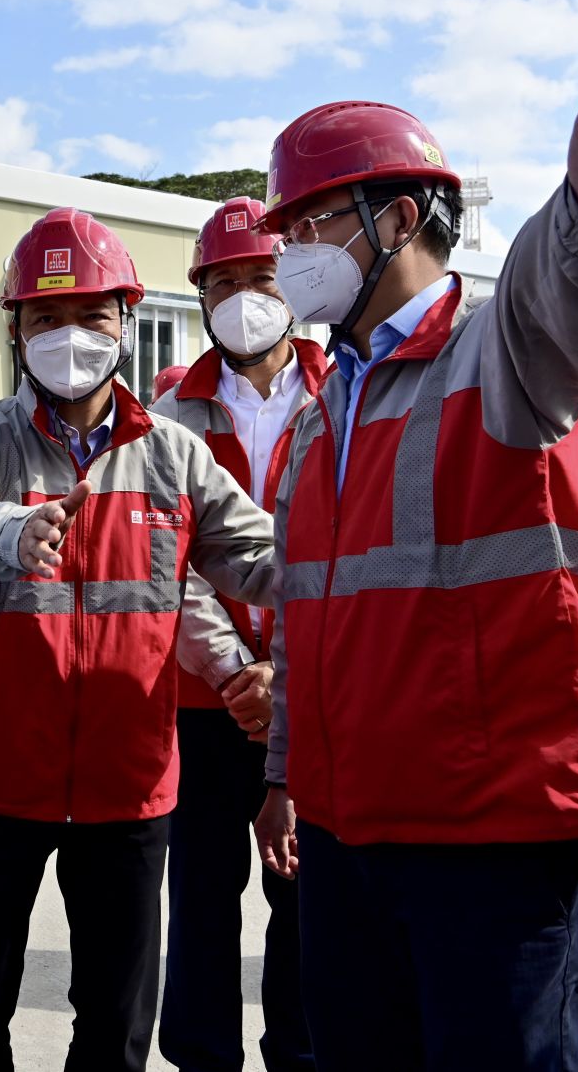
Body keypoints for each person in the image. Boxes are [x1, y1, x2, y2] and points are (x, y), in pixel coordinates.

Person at [252, 39, 578, 1071]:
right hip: (344, 838)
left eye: (309, 221)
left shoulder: (494, 348)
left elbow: (563, 293)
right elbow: (306, 620)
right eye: (281, 228)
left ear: (397, 217)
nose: (288, 251)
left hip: (494, 845)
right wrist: (283, 773)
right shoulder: (318, 411)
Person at [0, 206, 279, 1072]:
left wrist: (358, 568)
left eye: (91, 315)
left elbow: (263, 559)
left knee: (115, 1026)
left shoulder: (175, 456)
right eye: (46, 318)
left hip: (128, 784)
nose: (69, 336)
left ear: (125, 322)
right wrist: (10, 530)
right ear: (16, 330)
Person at [149, 196, 327, 1072]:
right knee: (204, 898)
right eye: (223, 281)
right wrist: (234, 671)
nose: (244, 295)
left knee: (308, 897)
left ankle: (301, 1054)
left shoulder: (346, 394)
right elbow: (168, 561)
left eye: (261, 276)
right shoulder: (167, 411)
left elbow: (340, 552)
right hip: (201, 698)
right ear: (200, 295)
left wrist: (283, 680)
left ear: (292, 281)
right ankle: (202, 1058)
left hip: (319, 695)